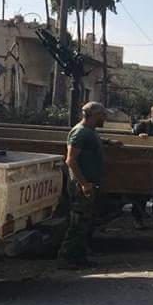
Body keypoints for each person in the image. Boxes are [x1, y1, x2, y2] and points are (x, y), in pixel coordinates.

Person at [58, 101, 107, 269]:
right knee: (77, 223)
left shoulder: (90, 131)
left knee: (86, 222)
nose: (104, 118)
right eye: (101, 114)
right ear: (91, 115)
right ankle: (66, 258)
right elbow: (71, 160)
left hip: (90, 183)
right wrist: (84, 184)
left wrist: (109, 143)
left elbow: (91, 144)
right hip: (81, 185)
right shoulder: (80, 132)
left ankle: (79, 257)